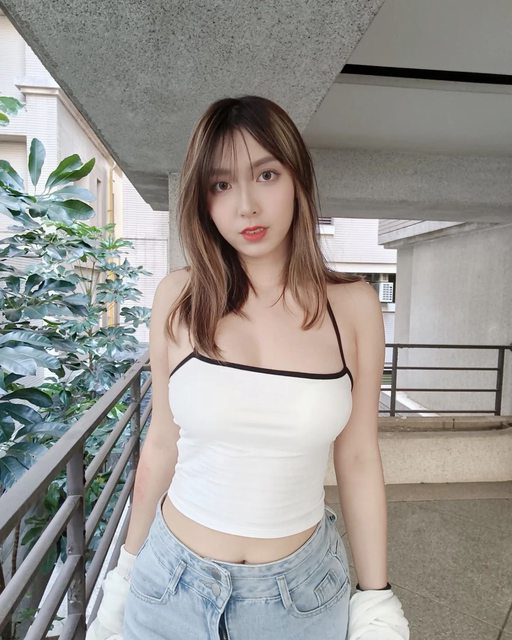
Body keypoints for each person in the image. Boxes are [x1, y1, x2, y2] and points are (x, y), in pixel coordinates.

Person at [87, 95, 410, 640]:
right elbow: (161, 442)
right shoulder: (179, 297)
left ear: (297, 179)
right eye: (221, 184)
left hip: (299, 598)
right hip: (170, 583)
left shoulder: (354, 307)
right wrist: (123, 575)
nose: (246, 207)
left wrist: (376, 601)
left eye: (266, 174)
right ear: (203, 200)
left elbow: (357, 457)